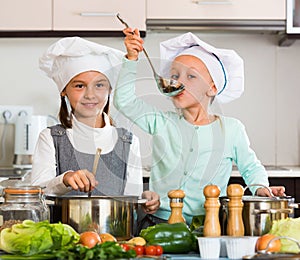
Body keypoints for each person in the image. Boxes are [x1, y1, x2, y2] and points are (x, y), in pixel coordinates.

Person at [114, 30, 285, 227]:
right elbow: (124, 101)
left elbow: (251, 167)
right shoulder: (161, 122)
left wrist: (261, 188)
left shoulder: (231, 129)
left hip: (210, 224)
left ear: (212, 88)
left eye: (191, 76)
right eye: (175, 75)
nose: (179, 81)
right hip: (160, 222)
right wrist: (131, 58)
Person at [31, 36, 160, 214]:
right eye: (79, 86)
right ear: (64, 91)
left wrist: (145, 199)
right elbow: (36, 194)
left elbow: (132, 200)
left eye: (99, 85)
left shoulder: (128, 141)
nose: (90, 95)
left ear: (109, 90)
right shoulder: (51, 138)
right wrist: (65, 180)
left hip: (115, 238)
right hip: (63, 238)